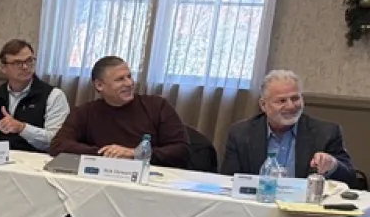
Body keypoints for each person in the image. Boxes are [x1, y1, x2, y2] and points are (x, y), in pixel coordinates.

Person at [51, 56, 190, 166]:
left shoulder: (157, 106)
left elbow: (181, 150)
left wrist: (133, 153)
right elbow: (58, 144)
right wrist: (107, 153)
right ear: (100, 85)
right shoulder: (85, 112)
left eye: (129, 77)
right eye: (120, 79)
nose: (129, 83)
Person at [222, 70, 355, 181]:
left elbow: (351, 179)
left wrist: (333, 165)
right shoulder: (241, 133)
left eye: (295, 98)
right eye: (281, 101)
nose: (291, 106)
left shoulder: (326, 133)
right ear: (263, 105)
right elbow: (228, 181)